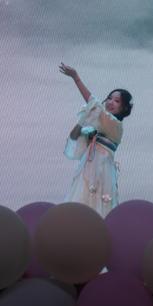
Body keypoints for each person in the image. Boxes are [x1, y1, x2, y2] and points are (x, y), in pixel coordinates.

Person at [59, 62, 132, 216]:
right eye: (109, 98)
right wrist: (84, 123)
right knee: (81, 202)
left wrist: (76, 78)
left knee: (99, 205)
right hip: (87, 171)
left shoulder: (115, 125)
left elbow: (93, 103)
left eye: (117, 101)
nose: (110, 102)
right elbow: (75, 136)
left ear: (124, 108)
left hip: (102, 173)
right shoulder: (98, 127)